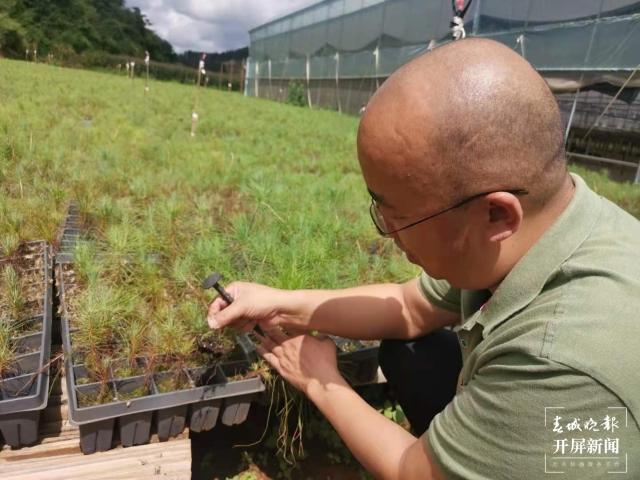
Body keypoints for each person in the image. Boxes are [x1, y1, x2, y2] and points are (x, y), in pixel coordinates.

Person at [207, 38, 640, 479]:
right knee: (413, 350)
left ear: (495, 214)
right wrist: (278, 302)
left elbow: (414, 472)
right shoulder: (549, 224)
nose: (388, 232)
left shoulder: (559, 364)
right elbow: (410, 308)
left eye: (398, 216)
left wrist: (321, 378)